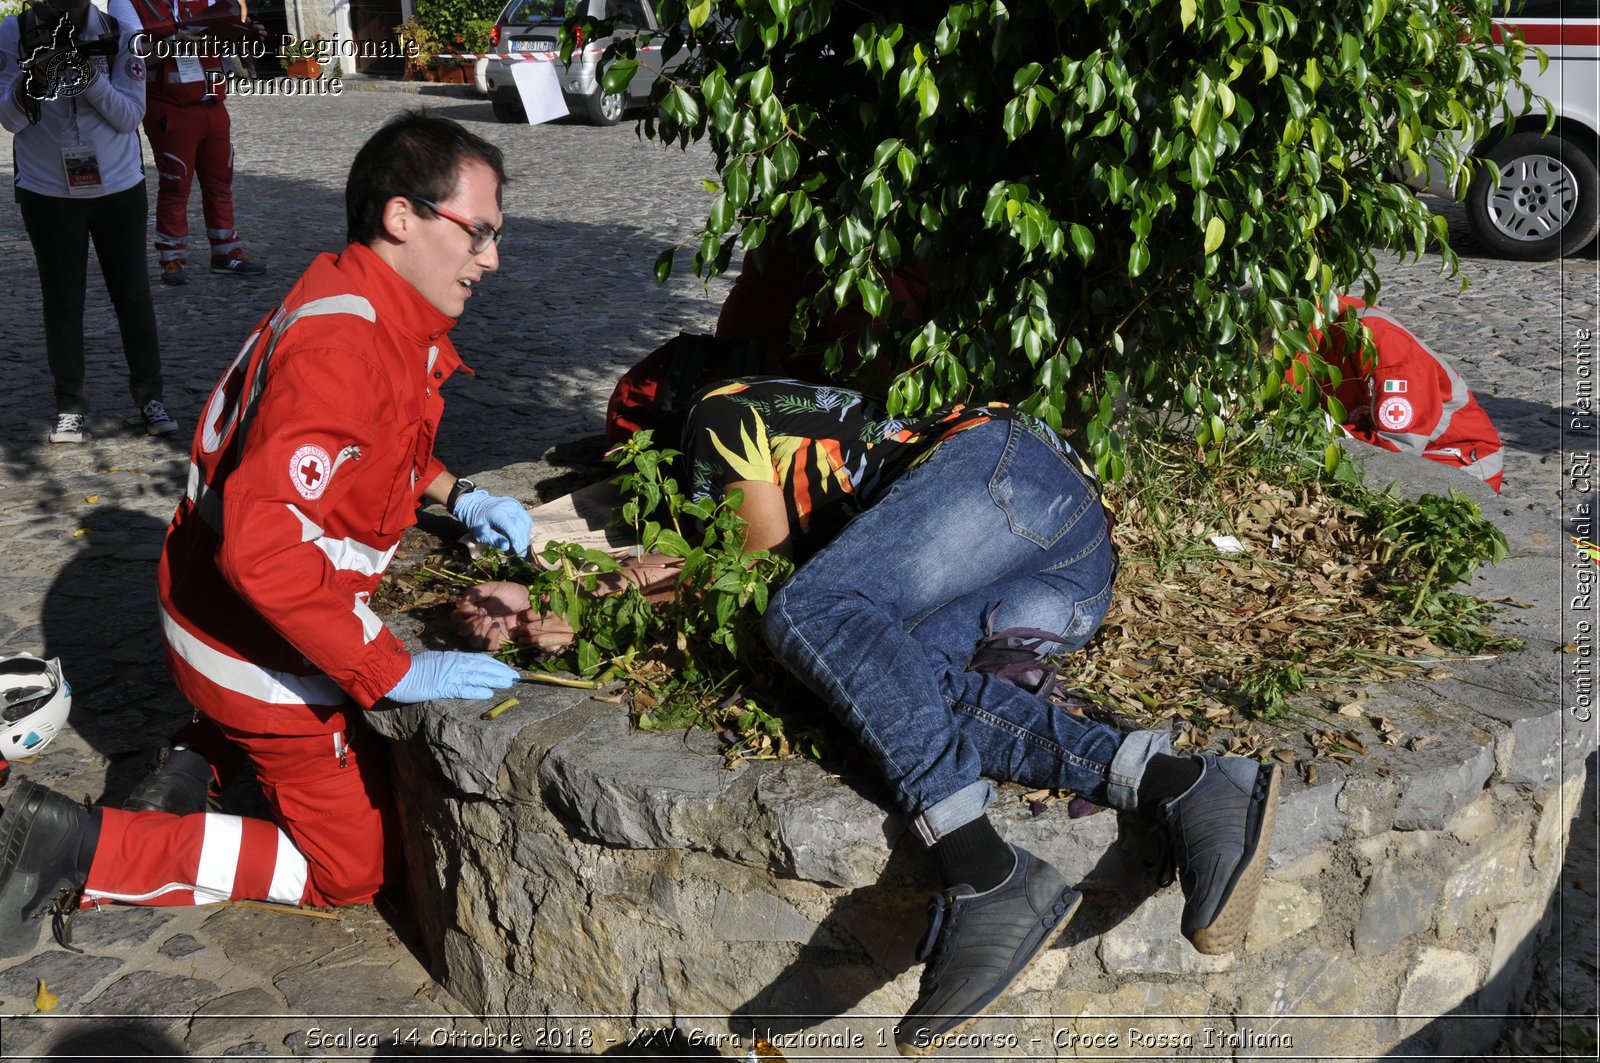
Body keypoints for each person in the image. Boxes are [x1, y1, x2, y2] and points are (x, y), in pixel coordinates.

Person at [453, 377, 1282, 1055]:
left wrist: (592, 598)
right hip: (1070, 574)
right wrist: (567, 601)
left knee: (814, 614)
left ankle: (984, 869)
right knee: (889, 674)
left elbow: (760, 577)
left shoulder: (724, 412)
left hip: (1009, 472)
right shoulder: (815, 478)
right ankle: (1185, 783)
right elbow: (724, 578)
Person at [0, 110, 533, 957]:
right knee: (351, 867)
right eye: (478, 233)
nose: (490, 258)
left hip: (229, 614)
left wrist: (456, 491)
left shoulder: (358, 297)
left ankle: (194, 755)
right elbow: (265, 549)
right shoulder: (347, 345)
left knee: (350, 747)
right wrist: (387, 668)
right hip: (247, 640)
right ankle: (82, 846)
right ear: (403, 217)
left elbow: (378, 444)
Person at [1, 0, 176, 443]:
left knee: (133, 295)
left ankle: (149, 396)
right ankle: (70, 405)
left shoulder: (120, 35)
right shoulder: (11, 31)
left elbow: (129, 116)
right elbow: (8, 119)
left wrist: (87, 77)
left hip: (118, 184)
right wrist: (34, 79)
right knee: (62, 303)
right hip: (47, 188)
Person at [116, 0, 267, 286]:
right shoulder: (127, 3)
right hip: (169, 104)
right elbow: (131, 57)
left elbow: (223, 39)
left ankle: (226, 252)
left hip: (212, 100)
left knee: (220, 180)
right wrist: (172, 42)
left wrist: (244, 36)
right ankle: (172, 257)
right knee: (176, 182)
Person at [1297, 295, 1504, 492]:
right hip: (1383, 443)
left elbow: (1398, 448)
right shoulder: (1299, 337)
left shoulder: (1378, 340)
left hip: (1456, 460)